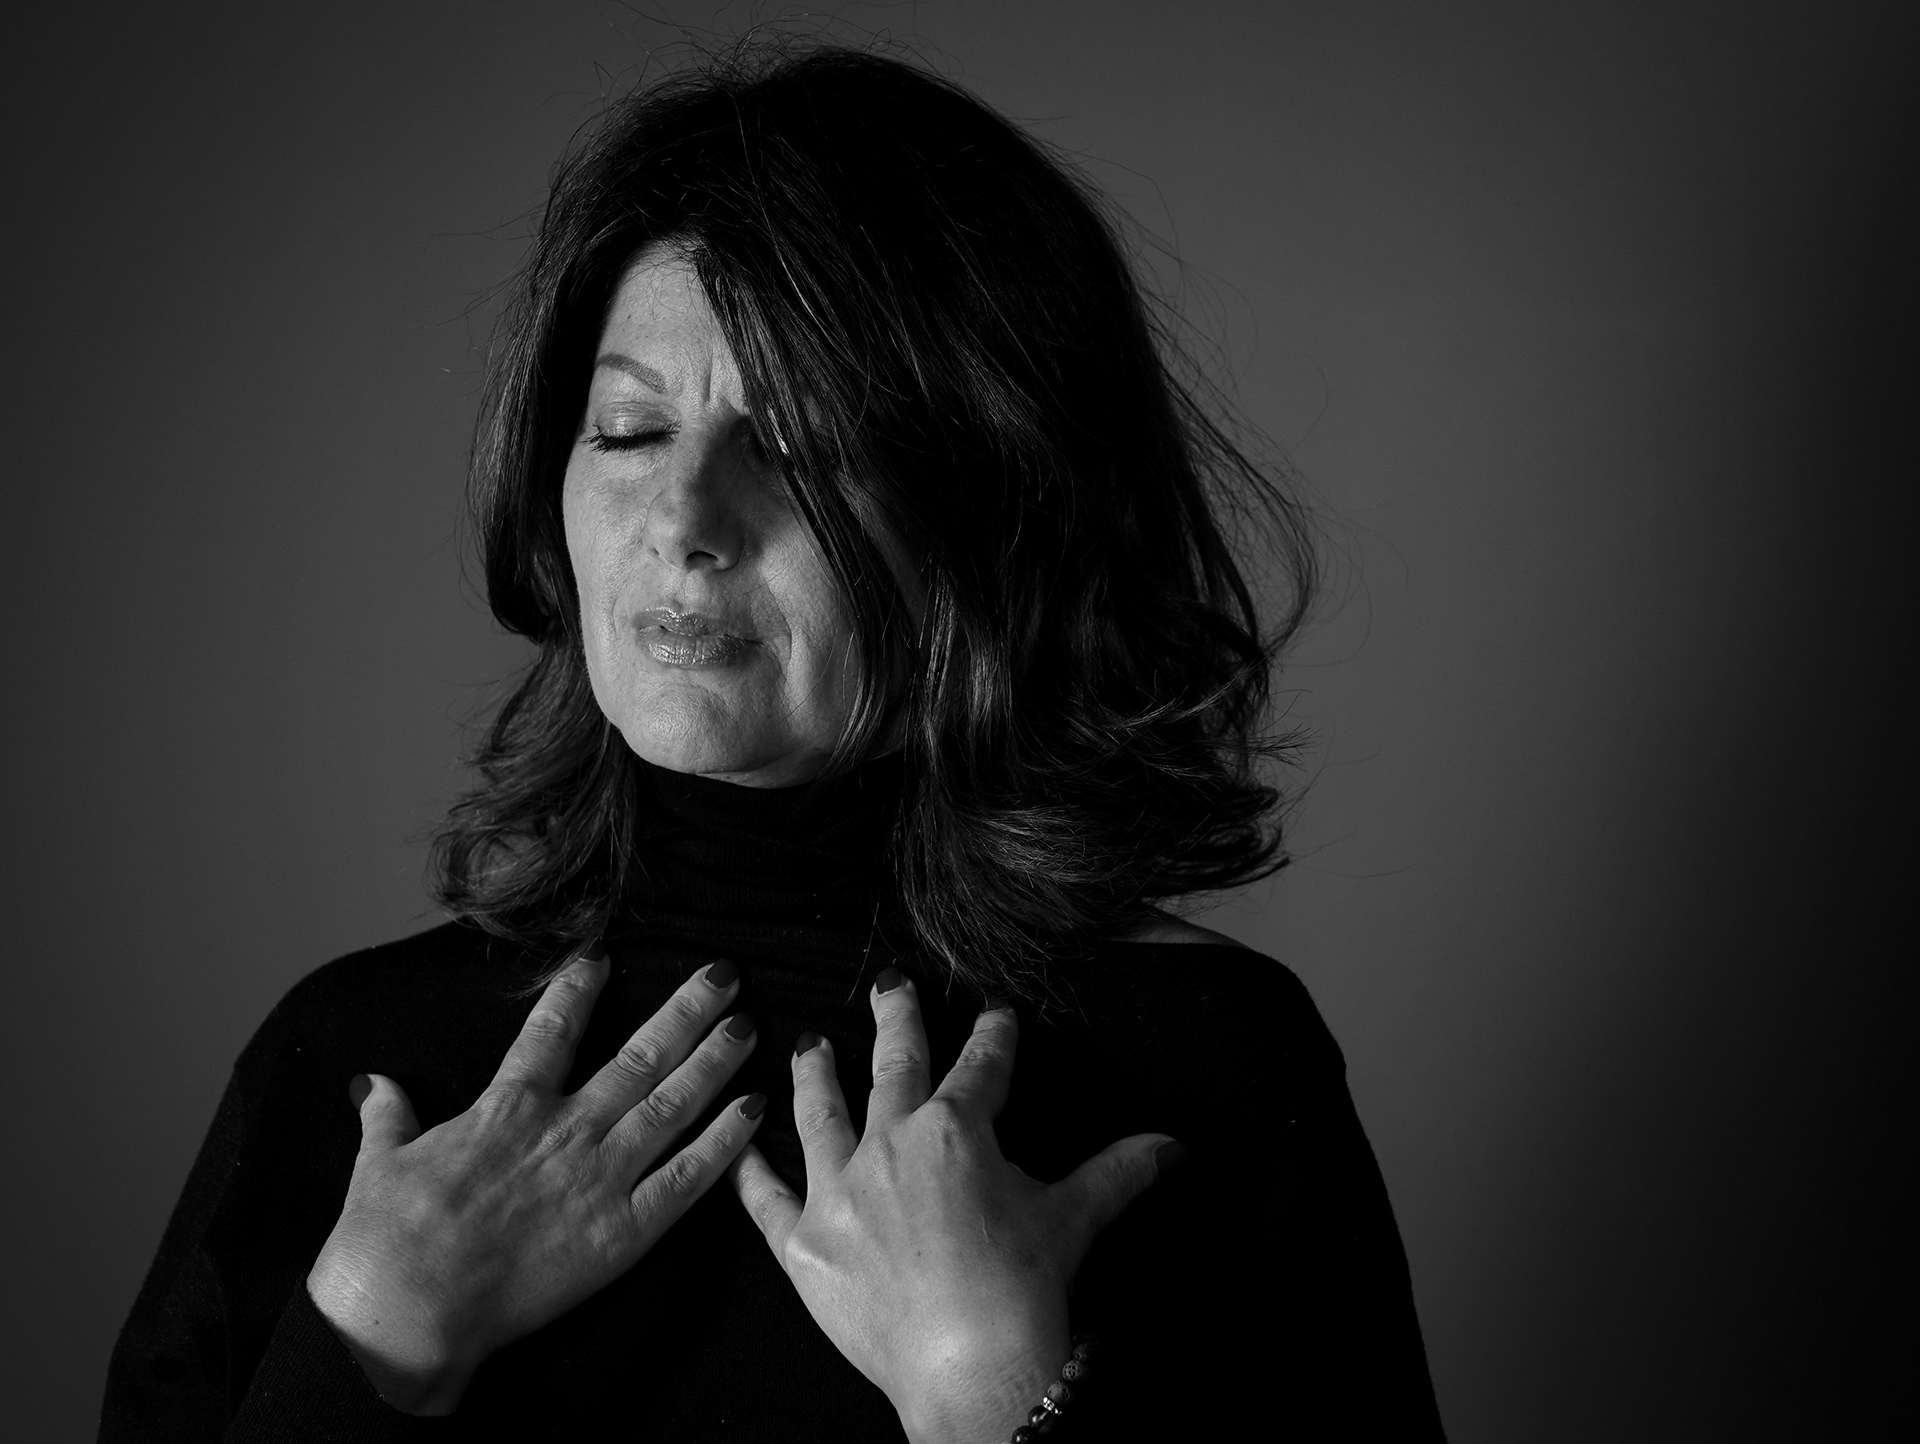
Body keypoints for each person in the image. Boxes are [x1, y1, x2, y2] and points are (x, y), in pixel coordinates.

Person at [100, 44, 1446, 1442]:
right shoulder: (357, 1061)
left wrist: (995, 1394)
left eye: (799, 446)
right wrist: (364, 1345)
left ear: (999, 512)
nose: (683, 521)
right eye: (629, 430)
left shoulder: (1207, 1070)